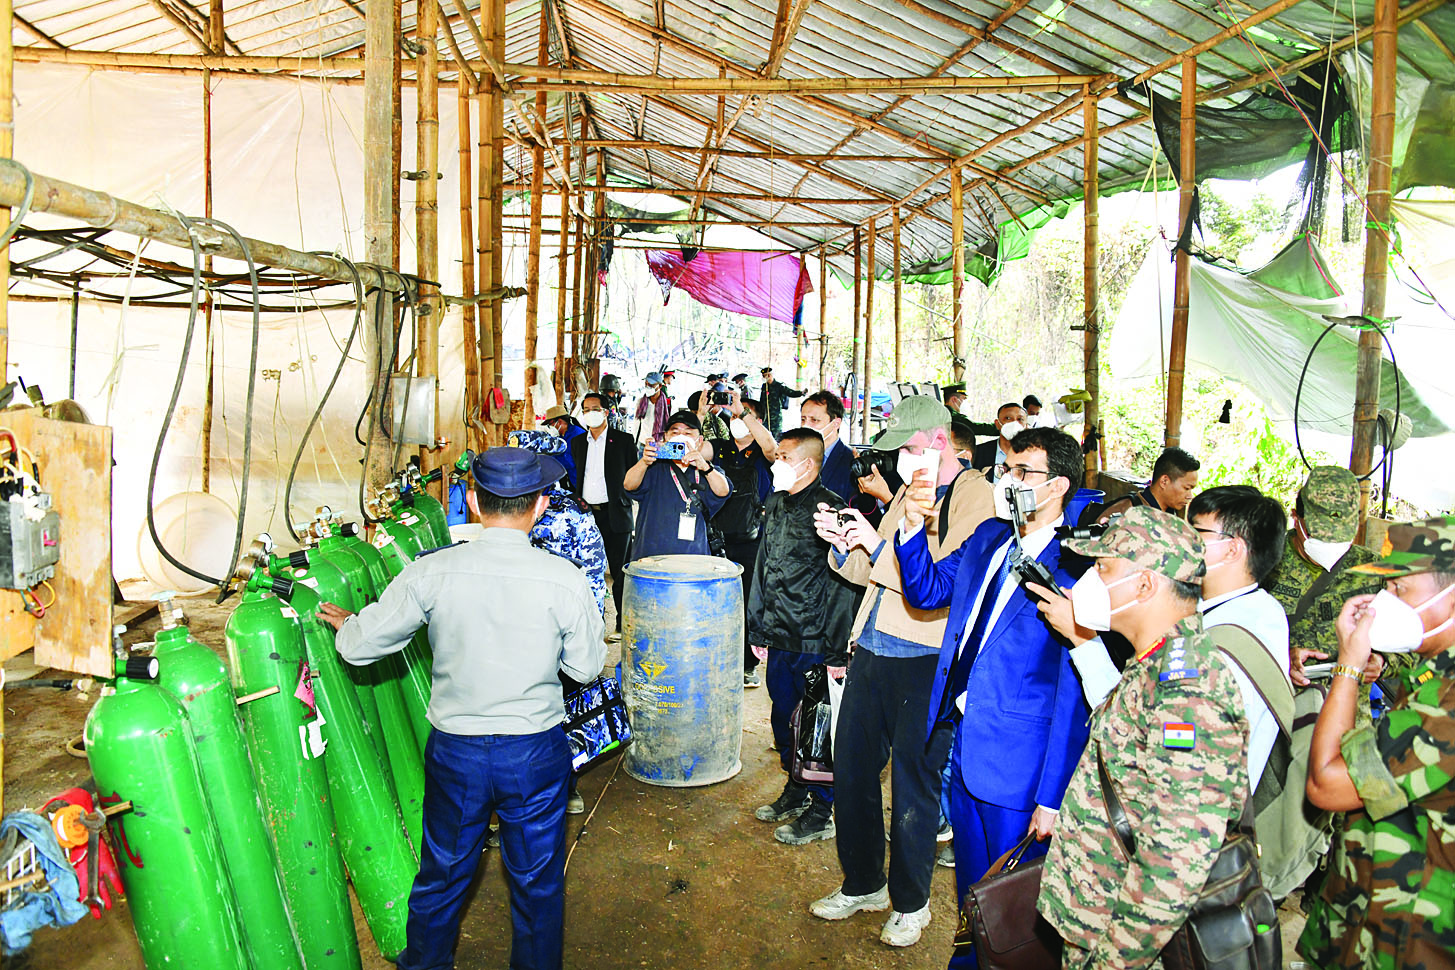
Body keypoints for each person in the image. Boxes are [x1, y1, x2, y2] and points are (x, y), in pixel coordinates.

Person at [317, 448, 606, 970]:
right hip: (534, 752)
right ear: (540, 505)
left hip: (457, 752)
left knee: (443, 873)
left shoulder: (431, 571)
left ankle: (426, 963)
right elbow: (585, 668)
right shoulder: (564, 579)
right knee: (538, 883)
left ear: (473, 502)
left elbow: (360, 648)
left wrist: (349, 624)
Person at [898, 426, 1094, 963]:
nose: (1008, 480)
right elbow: (928, 591)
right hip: (965, 741)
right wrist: (913, 527)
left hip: (1021, 765)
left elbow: (1073, 695)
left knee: (1012, 903)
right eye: (1006, 469)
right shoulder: (989, 536)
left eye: (1022, 473)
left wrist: (1052, 796)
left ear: (1057, 486)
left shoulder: (1077, 567)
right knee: (973, 892)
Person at [806, 395, 993, 949]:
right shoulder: (912, 490)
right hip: (873, 644)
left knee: (914, 785)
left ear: (939, 441)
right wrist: (846, 545)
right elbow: (875, 571)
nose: (902, 460)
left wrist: (877, 545)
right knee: (853, 770)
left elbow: (943, 585)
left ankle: (911, 902)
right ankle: (864, 882)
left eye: (909, 448)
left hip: (925, 656)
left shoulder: (974, 496)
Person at [1036, 508, 1249, 970]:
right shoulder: (1154, 664)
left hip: (1123, 943)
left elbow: (1176, 860)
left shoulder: (1188, 694)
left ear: (1145, 585)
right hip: (1097, 916)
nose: (1089, 580)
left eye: (1103, 567)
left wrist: (1111, 961)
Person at [1299, 515, 1455, 968]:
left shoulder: (1445, 704)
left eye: (1400, 589)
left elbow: (1327, 784)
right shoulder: (1433, 673)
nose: (1384, 602)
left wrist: (1348, 665)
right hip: (1375, 906)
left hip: (1410, 936)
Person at [747, 429, 858, 845]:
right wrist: (758, 627)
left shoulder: (831, 509)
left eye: (783, 456)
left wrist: (836, 651)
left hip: (815, 639)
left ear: (807, 464)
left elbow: (844, 585)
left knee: (817, 726)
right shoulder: (776, 502)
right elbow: (763, 566)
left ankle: (822, 809)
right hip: (779, 635)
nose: (776, 463)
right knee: (783, 719)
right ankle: (796, 788)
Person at [1268, 466, 1400, 696]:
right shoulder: (1265, 562)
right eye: (1320, 536)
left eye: (1339, 538)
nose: (1330, 545)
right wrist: (1279, 657)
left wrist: (1382, 661)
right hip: (1280, 706)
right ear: (1296, 517)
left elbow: (1411, 639)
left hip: (1349, 710)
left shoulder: (1374, 569)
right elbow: (1232, 634)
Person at [712, 394, 777, 688]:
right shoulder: (721, 447)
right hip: (719, 537)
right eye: (735, 416)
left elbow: (771, 447)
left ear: (757, 420)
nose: (737, 421)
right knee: (719, 600)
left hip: (753, 540)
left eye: (745, 416)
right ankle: (720, 657)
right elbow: (696, 448)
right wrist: (701, 411)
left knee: (750, 600)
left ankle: (748, 663)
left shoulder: (763, 453)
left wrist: (744, 413)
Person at [623, 410, 732, 561]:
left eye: (688, 433)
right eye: (675, 432)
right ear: (666, 437)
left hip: (693, 558)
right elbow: (628, 485)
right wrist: (644, 462)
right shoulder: (653, 467)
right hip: (651, 556)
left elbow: (723, 491)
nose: (681, 437)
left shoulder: (707, 470)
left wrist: (705, 467)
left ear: (699, 441)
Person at [570, 392, 636, 637]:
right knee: (587, 570)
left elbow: (633, 475)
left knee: (620, 572)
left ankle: (622, 623)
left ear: (606, 412)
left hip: (615, 513)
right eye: (586, 409)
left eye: (595, 409)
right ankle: (591, 624)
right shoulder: (578, 443)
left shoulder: (623, 441)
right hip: (588, 515)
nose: (590, 413)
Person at [1098, 446, 1200, 520]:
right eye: (1186, 488)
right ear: (1164, 481)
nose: (1189, 496)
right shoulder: (1125, 513)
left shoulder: (1169, 512)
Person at [799, 390, 854, 501]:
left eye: (814, 420)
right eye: (803, 419)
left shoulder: (850, 462)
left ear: (836, 423)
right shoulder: (797, 456)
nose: (805, 425)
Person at [969, 402, 1027, 480]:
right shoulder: (978, 453)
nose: (1014, 423)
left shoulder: (1034, 455)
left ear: (1026, 426)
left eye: (1020, 419)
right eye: (1008, 418)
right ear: (997, 424)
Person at [541, 405, 586, 488]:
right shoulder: (562, 436)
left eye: (550, 425)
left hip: (583, 481)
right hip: (573, 479)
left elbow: (569, 461)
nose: (550, 428)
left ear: (560, 421)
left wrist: (547, 462)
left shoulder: (576, 435)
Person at [760, 366, 805, 438]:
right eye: (763, 376)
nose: (764, 377)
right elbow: (762, 400)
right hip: (765, 415)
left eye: (765, 375)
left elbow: (790, 392)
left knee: (776, 435)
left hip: (775, 416)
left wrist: (801, 393)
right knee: (765, 434)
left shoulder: (779, 386)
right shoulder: (764, 386)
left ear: (769, 375)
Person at [634, 372, 669, 447]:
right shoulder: (641, 403)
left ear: (660, 386)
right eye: (646, 384)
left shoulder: (667, 405)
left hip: (660, 444)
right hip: (643, 444)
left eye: (651, 385)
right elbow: (636, 424)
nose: (647, 387)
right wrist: (634, 443)